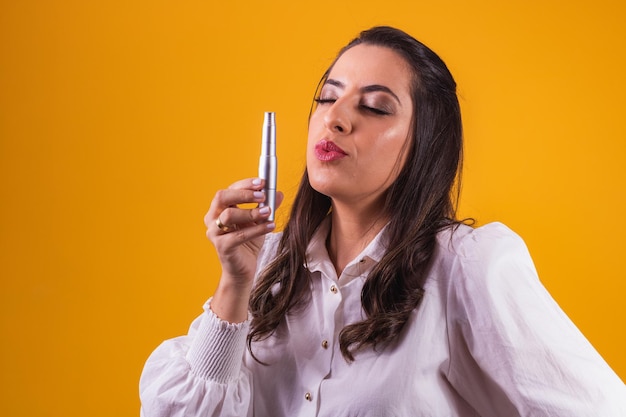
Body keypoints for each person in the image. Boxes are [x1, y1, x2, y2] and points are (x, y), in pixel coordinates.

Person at [139, 26, 625, 416]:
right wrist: (233, 287)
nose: (336, 119)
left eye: (373, 107)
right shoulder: (268, 264)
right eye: (327, 98)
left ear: (423, 145)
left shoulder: (464, 266)